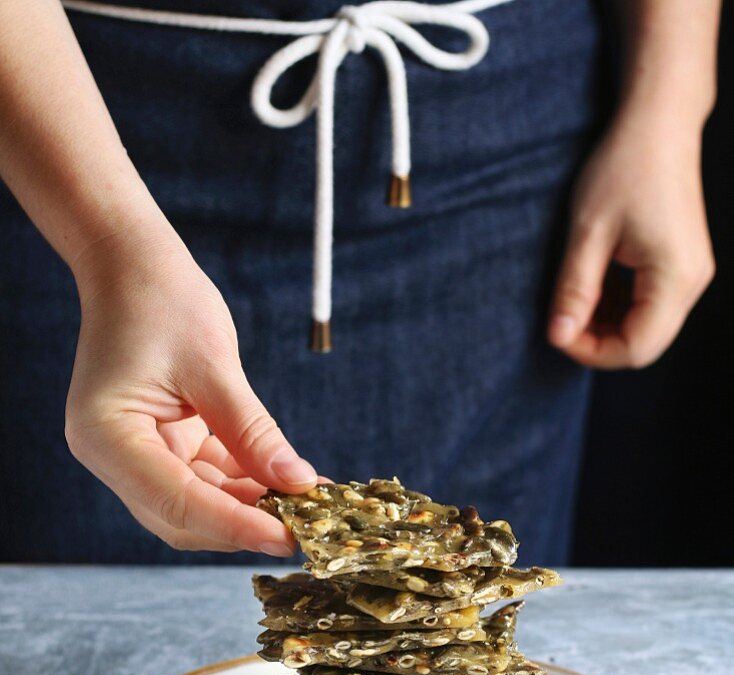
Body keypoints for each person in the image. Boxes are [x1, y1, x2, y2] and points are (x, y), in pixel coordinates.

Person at [0, 0, 720, 565]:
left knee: (476, 652)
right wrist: (110, 247)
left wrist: (670, 107)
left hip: (494, 141)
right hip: (73, 123)